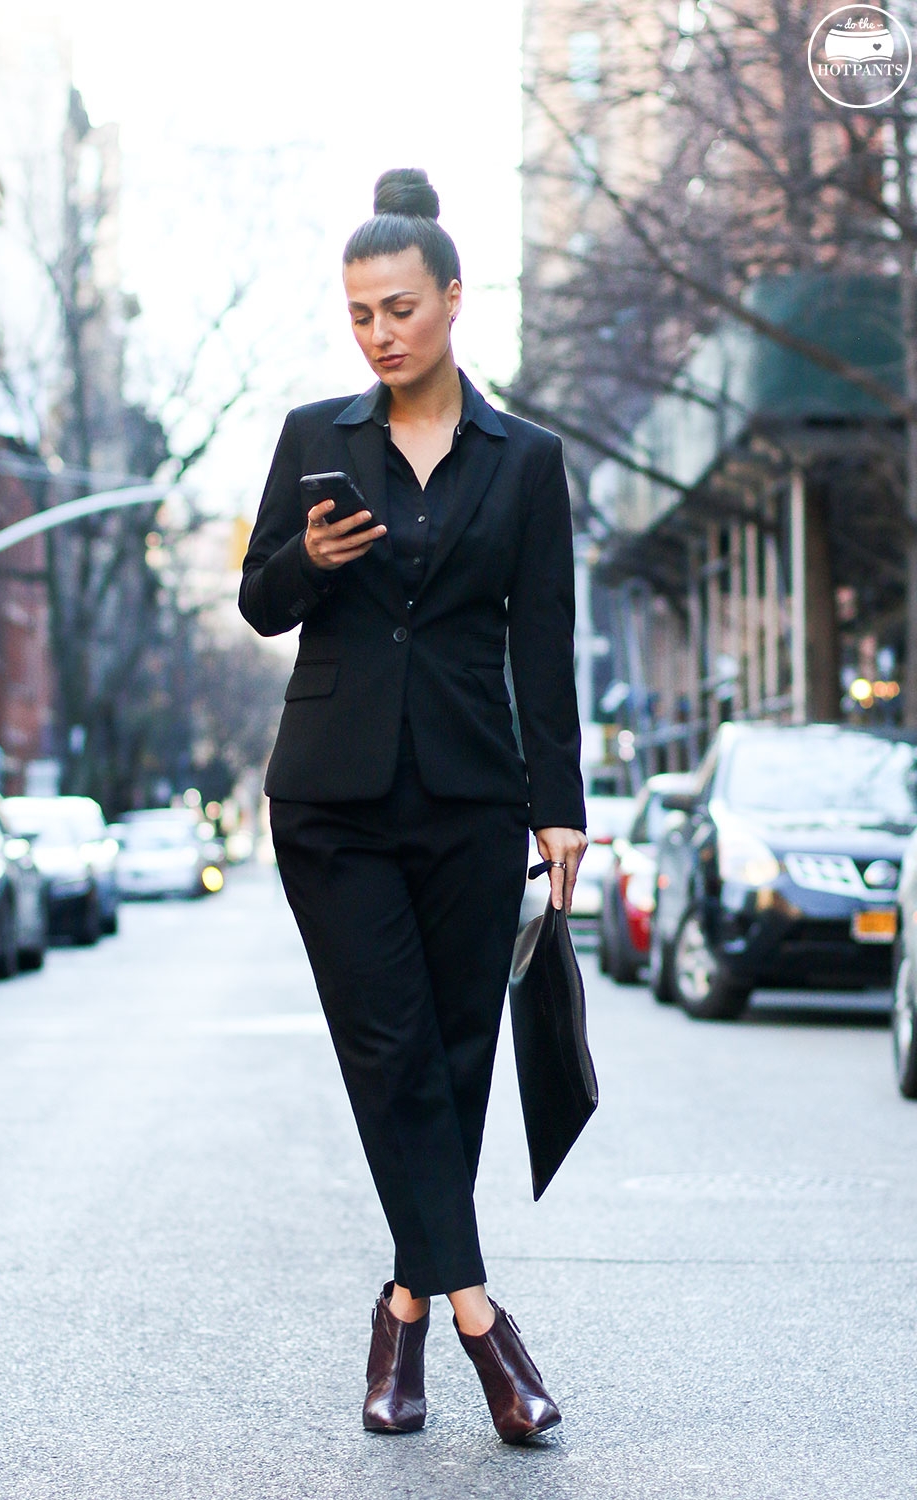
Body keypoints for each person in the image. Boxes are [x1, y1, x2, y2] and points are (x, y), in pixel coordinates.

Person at [239, 168, 587, 1443]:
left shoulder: (524, 461)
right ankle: (484, 1326)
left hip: (469, 791)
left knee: (455, 1057)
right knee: (388, 1050)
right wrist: (304, 560)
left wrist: (559, 802)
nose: (379, 333)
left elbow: (541, 636)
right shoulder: (311, 439)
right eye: (357, 315)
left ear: (452, 298)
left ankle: (400, 1303)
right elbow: (259, 603)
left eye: (399, 307)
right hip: (329, 796)